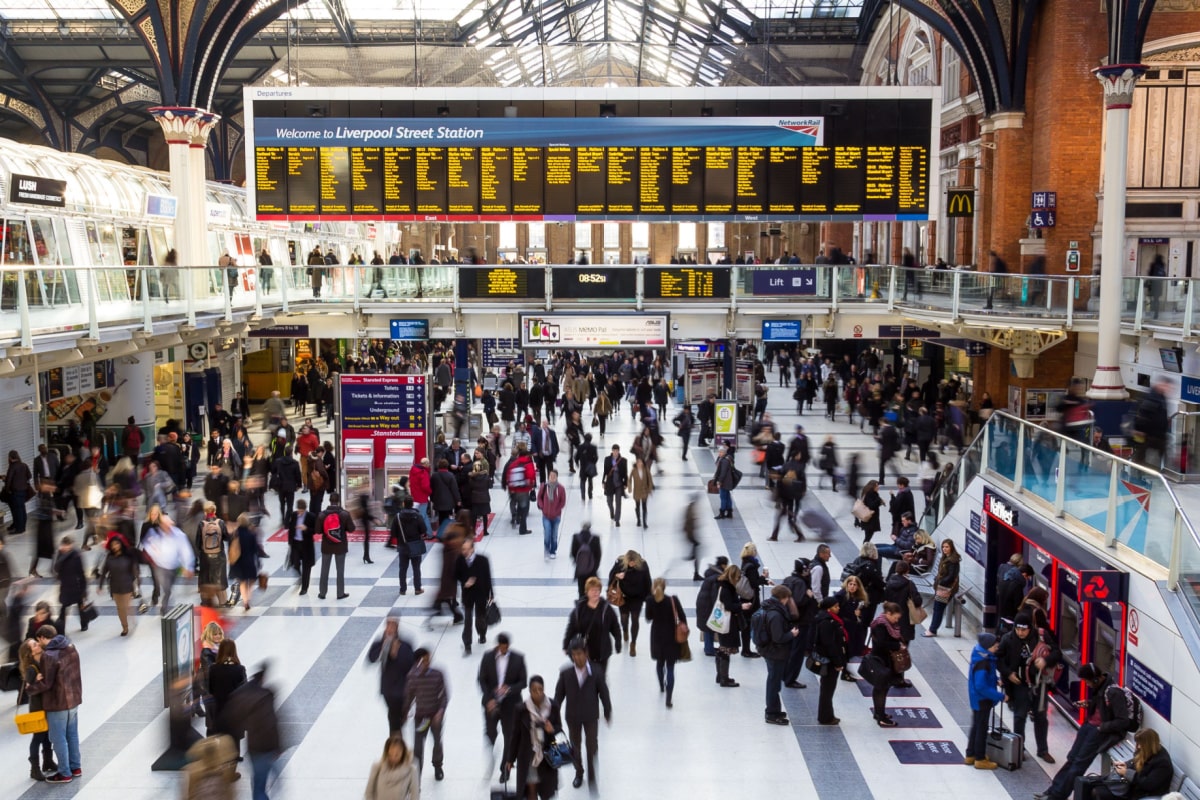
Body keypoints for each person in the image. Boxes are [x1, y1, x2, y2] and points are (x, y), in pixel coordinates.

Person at [1035, 663, 1134, 800]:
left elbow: (1123, 721)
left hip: (1098, 732)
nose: (1086, 684)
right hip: (1089, 727)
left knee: (1078, 765)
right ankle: (1053, 790)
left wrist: (1102, 727)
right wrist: (1089, 703)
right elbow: (1103, 709)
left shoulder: (1113, 692)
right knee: (1071, 759)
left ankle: (1057, 795)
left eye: (1087, 681)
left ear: (1095, 679)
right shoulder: (1101, 687)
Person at [996, 612, 1061, 763]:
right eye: (1018, 629)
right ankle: (1019, 748)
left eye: (1023, 630)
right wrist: (1008, 674)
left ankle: (1043, 750)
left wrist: (1046, 660)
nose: (1020, 633)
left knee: (1041, 717)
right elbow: (998, 659)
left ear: (1030, 628)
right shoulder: (1008, 639)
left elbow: (1057, 652)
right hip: (1019, 684)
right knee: (1019, 717)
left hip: (1040, 683)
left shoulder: (1041, 636)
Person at [554, 636, 612, 791]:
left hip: (591, 716)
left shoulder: (597, 671)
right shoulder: (566, 673)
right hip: (572, 717)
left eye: (579, 654)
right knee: (575, 747)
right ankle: (579, 772)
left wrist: (607, 710)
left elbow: (604, 693)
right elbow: (558, 696)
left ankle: (592, 775)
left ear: (586, 653)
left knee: (592, 746)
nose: (576, 658)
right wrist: (554, 714)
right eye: (573, 655)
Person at [27, 624, 82, 783]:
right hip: (74, 699)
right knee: (72, 735)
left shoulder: (49, 655)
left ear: (42, 637)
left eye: (39, 641)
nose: (40, 644)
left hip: (57, 703)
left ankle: (64, 773)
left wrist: (31, 688)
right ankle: (75, 767)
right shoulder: (70, 646)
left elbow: (47, 683)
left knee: (58, 738)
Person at [223, 665, 281, 800]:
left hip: (254, 747)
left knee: (258, 782)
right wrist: (278, 747)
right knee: (261, 785)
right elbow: (271, 725)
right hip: (266, 747)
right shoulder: (265, 697)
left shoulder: (243, 696)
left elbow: (232, 717)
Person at [504, 675, 563, 800]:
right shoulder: (521, 709)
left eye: (540, 689)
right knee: (531, 789)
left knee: (547, 791)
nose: (538, 693)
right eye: (534, 690)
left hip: (547, 756)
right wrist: (510, 759)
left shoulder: (553, 706)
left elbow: (559, 728)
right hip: (528, 756)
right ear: (530, 691)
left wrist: (551, 729)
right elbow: (515, 735)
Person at [1088, 728, 1172, 800]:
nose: (1138, 747)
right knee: (1095, 788)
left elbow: (1148, 785)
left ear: (1148, 744)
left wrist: (1127, 773)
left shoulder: (1162, 763)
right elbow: (1136, 762)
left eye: (1140, 744)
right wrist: (1126, 765)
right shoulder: (1149, 750)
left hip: (1145, 794)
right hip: (1134, 788)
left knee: (1099, 793)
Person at [478, 632, 528, 754]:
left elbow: (523, 682)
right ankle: (492, 753)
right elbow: (482, 679)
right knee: (490, 732)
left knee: (509, 735)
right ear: (498, 645)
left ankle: (505, 767)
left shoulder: (518, 659)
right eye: (501, 647)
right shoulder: (487, 657)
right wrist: (489, 699)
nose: (503, 650)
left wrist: (509, 688)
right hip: (492, 702)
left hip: (511, 703)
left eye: (505, 647)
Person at [758, 584, 800, 726]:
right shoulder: (775, 614)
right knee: (774, 684)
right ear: (784, 598)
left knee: (773, 681)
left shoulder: (768, 607)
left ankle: (774, 709)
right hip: (775, 652)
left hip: (769, 650)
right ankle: (771, 713)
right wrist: (791, 634)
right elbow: (778, 637)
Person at [404, 648, 448, 781]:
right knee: (418, 747)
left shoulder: (437, 674)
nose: (428, 662)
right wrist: (405, 710)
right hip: (420, 718)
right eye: (424, 660)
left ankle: (438, 765)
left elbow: (444, 696)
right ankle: (417, 775)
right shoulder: (412, 676)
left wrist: (440, 712)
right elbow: (409, 695)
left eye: (428, 659)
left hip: (435, 716)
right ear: (418, 662)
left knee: (437, 742)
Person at [367, 616, 416, 735]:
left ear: (397, 626)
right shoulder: (380, 642)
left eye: (393, 625)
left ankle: (396, 741)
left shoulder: (405, 643)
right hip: (388, 690)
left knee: (396, 718)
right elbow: (371, 659)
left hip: (402, 688)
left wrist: (397, 654)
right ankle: (396, 744)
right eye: (388, 624)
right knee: (393, 718)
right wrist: (383, 647)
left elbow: (410, 664)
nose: (390, 628)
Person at [643, 577, 686, 709]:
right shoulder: (673, 600)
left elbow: (648, 618)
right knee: (671, 667)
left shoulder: (650, 600)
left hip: (657, 636)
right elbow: (683, 617)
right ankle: (669, 697)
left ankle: (661, 685)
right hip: (672, 636)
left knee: (660, 663)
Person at [18, 638, 56, 781]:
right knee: (38, 738)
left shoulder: (42, 661)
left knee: (47, 736)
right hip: (37, 709)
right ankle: (34, 768)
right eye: (34, 645)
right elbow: (28, 690)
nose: (38, 644)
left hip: (45, 706)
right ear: (30, 653)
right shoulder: (31, 669)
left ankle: (48, 761)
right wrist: (35, 681)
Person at [562, 576, 621, 668]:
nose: (595, 593)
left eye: (597, 590)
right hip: (585, 650)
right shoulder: (580, 609)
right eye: (592, 590)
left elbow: (615, 626)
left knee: (600, 677)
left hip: (602, 651)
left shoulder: (606, 608)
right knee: (588, 678)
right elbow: (571, 627)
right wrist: (566, 644)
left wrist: (618, 641)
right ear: (587, 592)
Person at [965, 632, 1004, 770]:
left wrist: (996, 680)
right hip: (982, 699)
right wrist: (1000, 696)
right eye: (995, 646)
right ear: (988, 647)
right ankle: (980, 759)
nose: (997, 648)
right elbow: (981, 685)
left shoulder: (981, 656)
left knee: (976, 726)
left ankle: (970, 754)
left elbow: (986, 677)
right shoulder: (984, 662)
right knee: (981, 728)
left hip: (976, 698)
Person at [867, 602, 906, 726]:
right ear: (888, 613)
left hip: (885, 659)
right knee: (881, 688)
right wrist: (897, 645)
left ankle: (879, 713)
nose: (896, 620)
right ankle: (881, 717)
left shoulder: (887, 623)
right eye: (895, 617)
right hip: (880, 659)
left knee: (882, 687)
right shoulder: (880, 625)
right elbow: (882, 643)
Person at [812, 596, 849, 725]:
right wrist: (838, 662)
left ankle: (827, 714)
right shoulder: (827, 622)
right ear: (829, 608)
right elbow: (830, 644)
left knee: (827, 689)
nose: (838, 608)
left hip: (829, 659)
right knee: (828, 689)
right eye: (836, 606)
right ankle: (825, 716)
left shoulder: (826, 619)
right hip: (829, 661)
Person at [714, 564, 752, 688]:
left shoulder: (724, 586)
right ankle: (724, 678)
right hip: (727, 623)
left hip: (725, 622)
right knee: (725, 649)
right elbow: (729, 606)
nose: (739, 579)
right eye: (738, 577)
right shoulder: (727, 588)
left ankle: (721, 675)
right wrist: (741, 606)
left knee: (723, 649)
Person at [608, 549, 651, 657]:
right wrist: (617, 576)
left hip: (637, 597)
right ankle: (625, 630)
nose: (632, 564)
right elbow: (611, 575)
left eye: (634, 562)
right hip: (623, 596)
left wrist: (649, 597)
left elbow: (647, 581)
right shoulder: (620, 563)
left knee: (635, 619)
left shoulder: (643, 565)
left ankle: (633, 643)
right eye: (630, 563)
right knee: (624, 618)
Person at [206, 639, 247, 750]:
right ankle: (235, 757)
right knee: (234, 738)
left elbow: (209, 689)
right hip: (235, 711)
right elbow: (244, 690)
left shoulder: (213, 669)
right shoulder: (240, 669)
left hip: (218, 709)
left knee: (219, 736)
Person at [456, 538, 493, 655]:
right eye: (463, 549)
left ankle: (482, 633)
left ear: (472, 549)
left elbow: (488, 577)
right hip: (468, 595)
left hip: (481, 594)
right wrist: (465, 582)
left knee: (480, 617)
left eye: (467, 549)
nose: (465, 551)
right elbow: (455, 574)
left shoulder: (483, 560)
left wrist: (490, 593)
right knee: (467, 620)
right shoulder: (459, 560)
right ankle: (467, 644)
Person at [98, 534, 137, 636]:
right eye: (112, 544)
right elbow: (104, 571)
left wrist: (135, 582)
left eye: (117, 544)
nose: (115, 546)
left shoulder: (127, 556)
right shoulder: (109, 557)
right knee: (120, 609)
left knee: (125, 607)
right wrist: (100, 586)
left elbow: (134, 571)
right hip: (115, 586)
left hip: (127, 585)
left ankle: (130, 615)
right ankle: (125, 627)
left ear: (121, 544)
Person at [316, 493, 353, 600]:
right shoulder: (345, 514)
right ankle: (340, 593)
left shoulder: (322, 515)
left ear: (329, 500)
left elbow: (317, 531)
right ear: (338, 501)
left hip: (326, 546)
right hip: (340, 546)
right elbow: (351, 529)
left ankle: (322, 593)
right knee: (340, 570)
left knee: (324, 569)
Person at [364, 733, 420, 800]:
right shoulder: (377, 767)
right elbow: (369, 792)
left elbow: (414, 795)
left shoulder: (411, 770)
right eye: (390, 754)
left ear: (403, 753)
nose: (393, 757)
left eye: (397, 754)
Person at [923, 538, 961, 637]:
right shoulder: (946, 558)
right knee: (937, 608)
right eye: (943, 547)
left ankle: (932, 630)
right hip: (941, 587)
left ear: (951, 547)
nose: (944, 549)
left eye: (947, 547)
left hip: (945, 588)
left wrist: (940, 582)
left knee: (938, 609)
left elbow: (952, 576)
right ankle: (932, 629)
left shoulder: (953, 561)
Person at [1131, 377, 1170, 470]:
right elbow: (1143, 414)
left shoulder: (1161, 397)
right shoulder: (1152, 397)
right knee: (1140, 454)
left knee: (1162, 452)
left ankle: (1165, 471)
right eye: (1166, 386)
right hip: (1147, 434)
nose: (1168, 389)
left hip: (1158, 434)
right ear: (1161, 384)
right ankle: (1137, 473)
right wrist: (1139, 429)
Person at [53, 536, 88, 633]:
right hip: (65, 585)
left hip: (76, 585)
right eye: (65, 545)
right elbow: (56, 568)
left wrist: (84, 589)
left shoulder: (76, 555)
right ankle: (60, 629)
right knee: (63, 608)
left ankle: (84, 624)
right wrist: (63, 555)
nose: (66, 547)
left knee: (80, 606)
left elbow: (81, 572)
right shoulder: (60, 554)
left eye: (68, 545)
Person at [393, 498, 426, 596]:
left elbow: (393, 532)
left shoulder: (398, 517)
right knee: (416, 568)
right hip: (415, 545)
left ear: (403, 503)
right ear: (412, 504)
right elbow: (423, 529)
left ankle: (402, 589)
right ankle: (417, 588)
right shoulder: (418, 516)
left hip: (402, 546)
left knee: (402, 568)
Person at [228, 514, 260, 611]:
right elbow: (255, 550)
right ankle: (248, 599)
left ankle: (245, 600)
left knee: (242, 582)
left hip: (238, 563)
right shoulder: (251, 534)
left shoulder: (234, 534)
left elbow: (230, 549)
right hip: (249, 561)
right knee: (252, 580)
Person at [285, 499, 316, 596]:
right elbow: (290, 528)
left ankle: (304, 587)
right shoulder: (294, 515)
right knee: (295, 563)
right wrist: (290, 542)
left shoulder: (311, 516)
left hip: (306, 545)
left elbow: (315, 530)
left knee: (307, 567)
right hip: (296, 543)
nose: (300, 513)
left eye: (302, 511)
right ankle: (300, 576)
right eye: (299, 510)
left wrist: (306, 528)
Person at [536, 468, 567, 559]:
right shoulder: (544, 486)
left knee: (554, 535)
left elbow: (563, 501)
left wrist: (557, 510)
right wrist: (542, 507)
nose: (552, 478)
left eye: (554, 476)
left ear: (557, 477)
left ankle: (553, 550)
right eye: (550, 476)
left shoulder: (561, 489)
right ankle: (546, 550)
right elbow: (539, 498)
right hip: (546, 516)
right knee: (547, 534)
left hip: (556, 516)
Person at [569, 523, 601, 598]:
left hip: (580, 570)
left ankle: (582, 607)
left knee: (581, 592)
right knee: (592, 591)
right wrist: (595, 567)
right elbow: (598, 555)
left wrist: (578, 564)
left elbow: (573, 553)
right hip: (592, 570)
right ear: (590, 528)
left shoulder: (576, 537)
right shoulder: (595, 538)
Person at [601, 444, 628, 527]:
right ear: (612, 451)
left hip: (619, 484)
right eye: (614, 451)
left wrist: (625, 483)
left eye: (617, 451)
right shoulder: (607, 459)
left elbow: (625, 473)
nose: (615, 452)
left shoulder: (623, 460)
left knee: (618, 503)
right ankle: (612, 512)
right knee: (609, 501)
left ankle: (617, 520)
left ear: (619, 451)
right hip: (609, 483)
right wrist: (603, 481)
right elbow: (605, 471)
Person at [712, 445, 735, 519]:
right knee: (727, 496)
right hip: (728, 481)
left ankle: (722, 512)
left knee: (723, 497)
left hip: (724, 482)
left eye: (720, 452)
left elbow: (723, 473)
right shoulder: (729, 458)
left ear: (724, 452)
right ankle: (729, 512)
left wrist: (719, 482)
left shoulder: (724, 461)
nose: (719, 453)